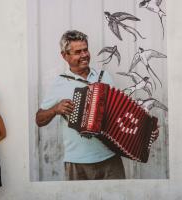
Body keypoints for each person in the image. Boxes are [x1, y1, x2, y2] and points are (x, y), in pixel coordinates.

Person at [35, 30, 125, 180]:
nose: (84, 55)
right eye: (78, 52)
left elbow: (121, 112)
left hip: (110, 157)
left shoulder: (104, 77)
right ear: (64, 56)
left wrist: (144, 130)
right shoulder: (59, 83)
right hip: (77, 162)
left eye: (86, 49)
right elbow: (39, 119)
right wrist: (55, 109)